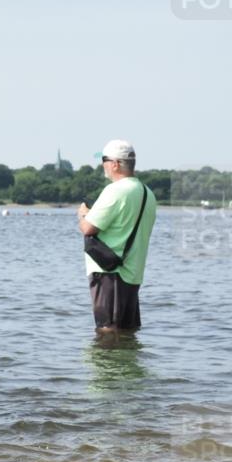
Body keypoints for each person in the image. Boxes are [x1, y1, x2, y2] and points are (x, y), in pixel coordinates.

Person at [77, 139, 157, 332]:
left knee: (107, 332)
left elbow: (88, 228)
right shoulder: (148, 193)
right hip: (133, 274)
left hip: (110, 273)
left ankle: (108, 364)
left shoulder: (116, 190)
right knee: (127, 333)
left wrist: (82, 214)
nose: (102, 165)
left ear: (115, 164)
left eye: (104, 160)